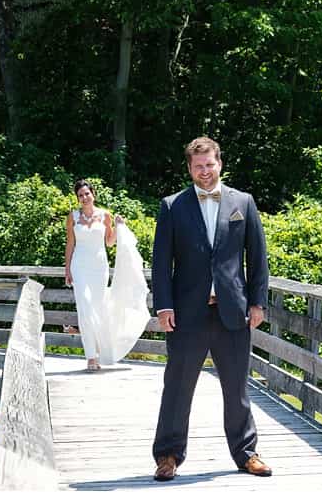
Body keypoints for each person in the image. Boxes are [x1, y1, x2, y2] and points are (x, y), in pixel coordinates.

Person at [151, 136, 272, 481]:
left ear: (220, 163)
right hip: (187, 313)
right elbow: (162, 263)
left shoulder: (243, 203)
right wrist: (163, 306)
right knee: (177, 387)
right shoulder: (173, 206)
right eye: (198, 166)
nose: (204, 172)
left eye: (209, 164)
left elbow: (258, 258)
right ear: (189, 168)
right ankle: (168, 455)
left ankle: (246, 453)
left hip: (232, 312)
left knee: (237, 389)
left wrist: (258, 302)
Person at [64, 179, 133, 372]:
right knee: (84, 307)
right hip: (79, 266)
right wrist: (67, 269)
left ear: (93, 194)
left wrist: (119, 227)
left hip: (99, 267)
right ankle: (90, 357)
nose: (84, 198)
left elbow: (110, 242)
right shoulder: (73, 216)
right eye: (80, 195)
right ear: (77, 198)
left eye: (87, 193)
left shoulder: (105, 215)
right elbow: (70, 244)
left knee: (99, 309)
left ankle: (103, 351)